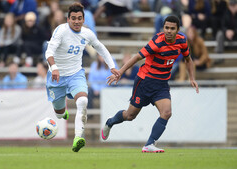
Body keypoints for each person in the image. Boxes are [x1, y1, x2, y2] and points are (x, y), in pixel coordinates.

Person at [101, 15, 199, 153]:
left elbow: (188, 59)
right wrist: (120, 72)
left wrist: (192, 78)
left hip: (162, 84)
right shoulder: (157, 42)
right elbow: (136, 57)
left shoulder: (182, 40)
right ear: (163, 27)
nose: (169, 31)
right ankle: (110, 122)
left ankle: (149, 144)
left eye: (172, 28)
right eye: (166, 27)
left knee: (167, 112)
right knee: (130, 115)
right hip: (145, 82)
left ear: (177, 30)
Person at [45, 2, 120, 152]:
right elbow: (49, 52)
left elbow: (101, 48)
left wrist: (112, 66)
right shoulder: (60, 31)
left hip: (75, 74)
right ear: (68, 19)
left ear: (83, 19)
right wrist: (54, 68)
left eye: (79, 18)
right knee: (59, 114)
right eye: (73, 18)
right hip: (56, 76)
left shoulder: (87, 33)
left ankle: (78, 137)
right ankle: (62, 112)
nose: (77, 21)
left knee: (83, 101)